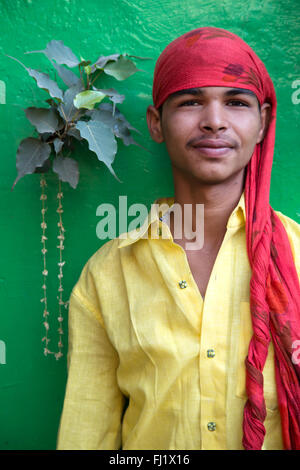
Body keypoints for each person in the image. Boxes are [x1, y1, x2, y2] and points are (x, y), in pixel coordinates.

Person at [56, 27, 300, 450]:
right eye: (191, 102)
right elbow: (86, 434)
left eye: (236, 103)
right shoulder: (108, 276)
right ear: (156, 123)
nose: (214, 121)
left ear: (262, 124)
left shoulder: (295, 255)